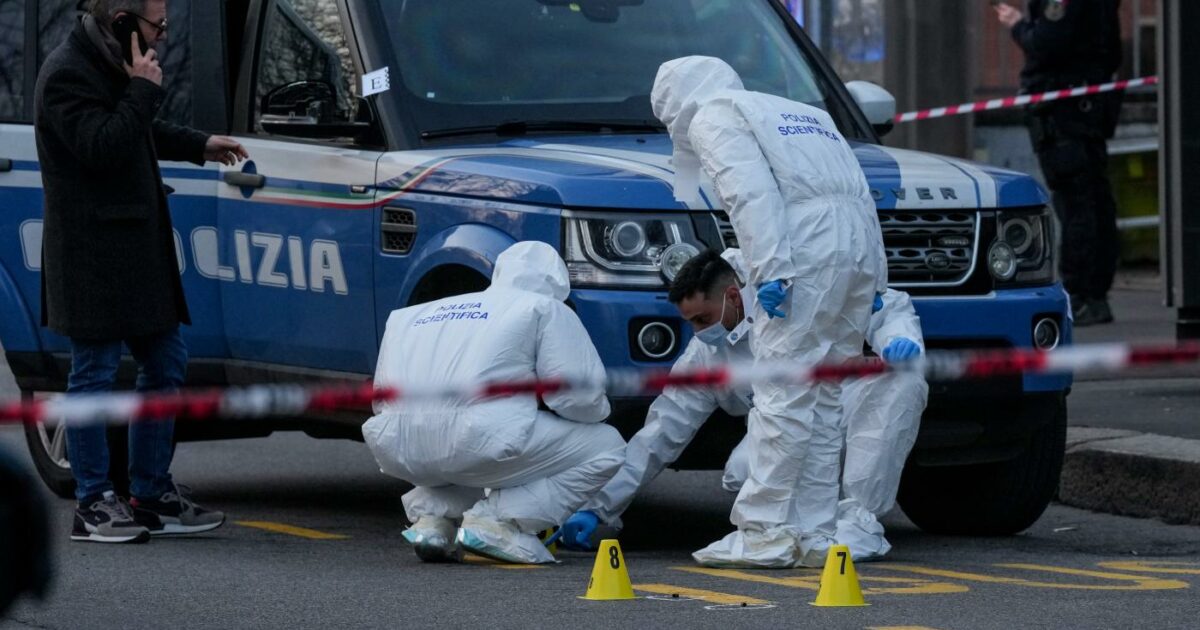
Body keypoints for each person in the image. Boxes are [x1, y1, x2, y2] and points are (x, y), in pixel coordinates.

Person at [652, 56, 888, 567]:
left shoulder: (714, 115)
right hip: (853, 251)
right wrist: (876, 279)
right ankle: (815, 531)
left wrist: (770, 269)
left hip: (803, 249)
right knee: (824, 397)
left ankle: (763, 530)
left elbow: (750, 196)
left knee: (781, 393)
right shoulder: (802, 114)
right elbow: (860, 195)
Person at [34, 0, 247, 543]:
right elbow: (102, 145)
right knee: (94, 374)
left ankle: (150, 493)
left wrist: (200, 144)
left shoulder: (114, 63)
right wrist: (142, 89)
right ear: (123, 21)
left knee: (166, 358)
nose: (165, 35)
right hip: (92, 255)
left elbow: (139, 130)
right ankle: (93, 504)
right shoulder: (67, 73)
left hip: (135, 252)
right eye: (159, 24)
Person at [561, 249, 926, 562]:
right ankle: (807, 523)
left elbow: (885, 304)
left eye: (703, 319)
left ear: (734, 296)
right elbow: (659, 433)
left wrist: (898, 338)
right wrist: (598, 507)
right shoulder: (707, 354)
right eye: (690, 322)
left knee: (901, 380)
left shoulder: (790, 284)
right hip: (786, 421)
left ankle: (859, 520)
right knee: (741, 470)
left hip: (842, 401)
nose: (699, 331)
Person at [362, 241, 626, 565]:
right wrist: (600, 412)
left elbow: (382, 396)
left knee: (470, 454)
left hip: (398, 443)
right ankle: (499, 522)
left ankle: (433, 521)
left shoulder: (416, 315)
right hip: (479, 439)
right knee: (606, 445)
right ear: (559, 283)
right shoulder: (543, 307)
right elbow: (575, 396)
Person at [995, 0, 1123, 326]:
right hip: (1090, 106)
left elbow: (1046, 43)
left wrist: (1017, 25)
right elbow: (1112, 52)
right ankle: (1095, 294)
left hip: (1062, 111)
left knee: (1076, 203)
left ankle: (1080, 297)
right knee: (1095, 200)